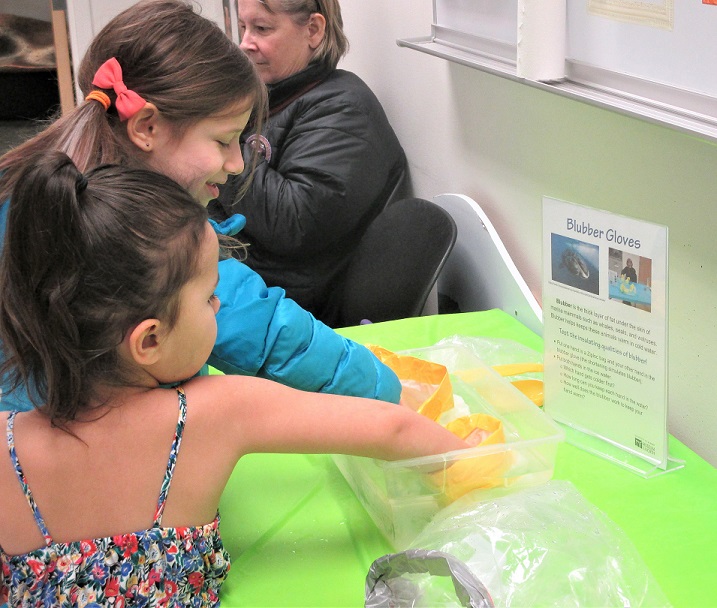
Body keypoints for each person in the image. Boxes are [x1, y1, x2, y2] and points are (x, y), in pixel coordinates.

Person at [0, 153, 469, 604]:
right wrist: (474, 462)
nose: (220, 306)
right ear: (148, 341)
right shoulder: (215, 412)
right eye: (208, 298)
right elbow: (395, 427)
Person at [0, 0, 402, 413]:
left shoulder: (36, 179)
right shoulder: (131, 228)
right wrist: (386, 390)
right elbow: (264, 331)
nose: (238, 164)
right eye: (223, 140)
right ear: (146, 127)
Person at [211, 0, 408, 327]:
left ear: (314, 30)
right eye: (243, 27)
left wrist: (219, 137)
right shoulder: (269, 95)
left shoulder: (345, 109)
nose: (245, 42)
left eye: (262, 28)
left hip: (295, 310)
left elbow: (293, 222)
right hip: (249, 282)